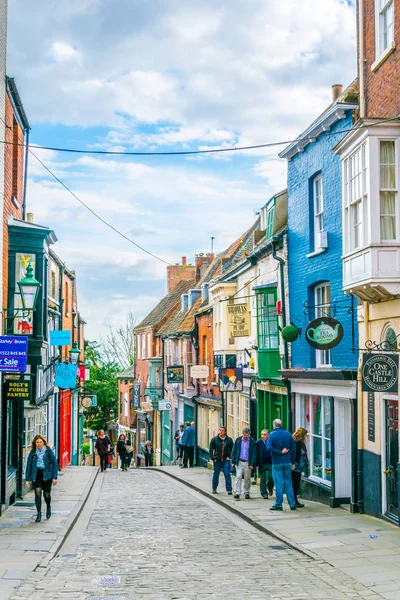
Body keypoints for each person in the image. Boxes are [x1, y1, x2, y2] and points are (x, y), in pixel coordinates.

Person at [25, 435, 58, 523]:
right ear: (35, 444)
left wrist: (54, 477)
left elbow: (54, 463)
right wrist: (27, 479)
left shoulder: (48, 451)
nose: (39, 444)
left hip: (47, 475)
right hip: (36, 474)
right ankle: (39, 513)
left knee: (46, 495)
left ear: (43, 442)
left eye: (40, 442)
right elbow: (28, 465)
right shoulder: (33, 452)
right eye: (37, 442)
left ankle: (48, 507)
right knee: (38, 493)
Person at [267, 419, 297, 511]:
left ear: (274, 426)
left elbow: (268, 448)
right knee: (288, 483)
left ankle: (278, 504)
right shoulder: (288, 434)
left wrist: (279, 452)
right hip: (288, 462)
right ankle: (292, 504)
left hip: (277, 462)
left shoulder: (272, 435)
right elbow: (294, 449)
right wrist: (293, 462)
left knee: (278, 484)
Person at [231, 426, 257, 500]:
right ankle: (237, 492)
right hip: (239, 461)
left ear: (249, 434)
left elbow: (254, 453)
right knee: (238, 476)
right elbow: (234, 451)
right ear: (242, 434)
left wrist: (252, 464)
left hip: (247, 462)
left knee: (247, 478)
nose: (245, 437)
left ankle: (247, 492)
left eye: (247, 435)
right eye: (244, 435)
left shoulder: (252, 442)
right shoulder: (238, 440)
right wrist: (233, 461)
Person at [209, 426, 233, 495]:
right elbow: (211, 449)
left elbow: (232, 449)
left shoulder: (229, 440)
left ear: (225, 432)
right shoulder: (214, 439)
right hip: (217, 460)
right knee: (216, 474)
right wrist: (213, 458)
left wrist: (229, 457)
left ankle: (229, 489)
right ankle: (214, 488)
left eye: (222, 430)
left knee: (227, 474)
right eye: (220, 430)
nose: (221, 432)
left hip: (226, 459)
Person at [292, 427, 309, 508]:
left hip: (298, 467)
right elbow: (296, 455)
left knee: (295, 484)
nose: (306, 437)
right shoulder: (297, 442)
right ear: (302, 435)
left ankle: (294, 500)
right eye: (305, 435)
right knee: (295, 484)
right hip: (295, 467)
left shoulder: (299, 442)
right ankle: (294, 501)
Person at [256, 429, 274, 499]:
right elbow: (256, 454)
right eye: (262, 434)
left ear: (268, 435)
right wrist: (256, 463)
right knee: (262, 479)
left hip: (271, 463)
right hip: (262, 463)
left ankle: (270, 487)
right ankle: (264, 493)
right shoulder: (258, 443)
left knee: (271, 477)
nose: (263, 436)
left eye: (265, 434)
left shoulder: (271, 442)